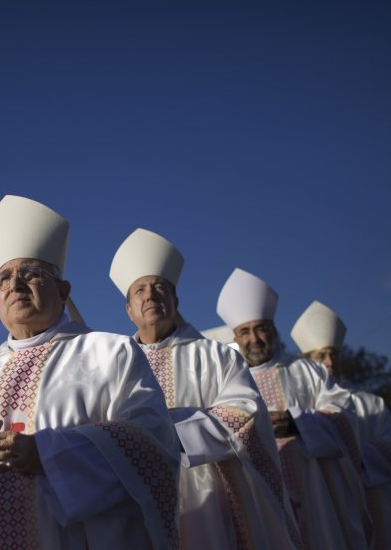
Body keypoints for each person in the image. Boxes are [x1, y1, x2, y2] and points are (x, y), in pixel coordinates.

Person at [0, 195, 180, 549]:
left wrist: (49, 454)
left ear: (63, 290)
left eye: (31, 273)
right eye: (4, 278)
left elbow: (153, 443)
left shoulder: (110, 355)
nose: (15, 285)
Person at [110, 228, 300, 549]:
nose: (151, 295)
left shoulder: (216, 355)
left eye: (160, 287)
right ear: (129, 310)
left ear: (175, 300)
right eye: (140, 290)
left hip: (208, 494)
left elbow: (245, 413)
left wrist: (171, 429)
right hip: (134, 495)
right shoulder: (113, 365)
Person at [217, 269, 367, 549]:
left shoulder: (306, 371)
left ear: (273, 330)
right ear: (235, 338)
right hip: (260, 494)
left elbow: (344, 414)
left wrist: (298, 423)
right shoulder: (229, 382)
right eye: (245, 332)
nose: (254, 339)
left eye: (260, 328)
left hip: (314, 491)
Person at [292, 301, 391, 549]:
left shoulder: (371, 404)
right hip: (320, 495)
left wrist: (353, 452)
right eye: (320, 356)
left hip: (371, 494)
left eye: (333, 355)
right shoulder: (305, 405)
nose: (329, 362)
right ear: (307, 362)